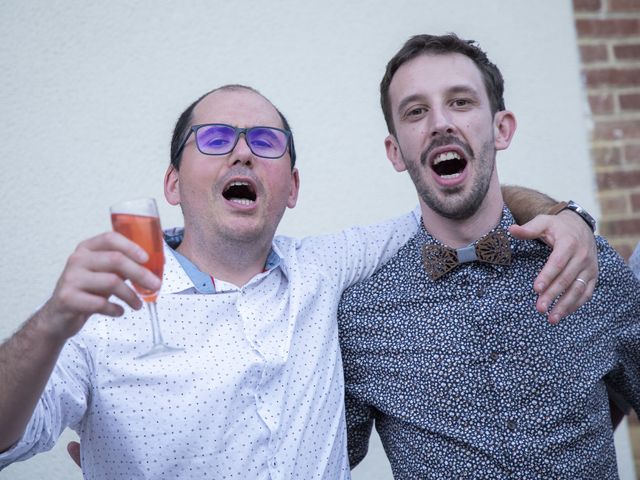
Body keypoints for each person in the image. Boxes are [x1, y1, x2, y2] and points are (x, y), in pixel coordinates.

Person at [0, 84, 596, 479]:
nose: (241, 153)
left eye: (265, 142)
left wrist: (565, 215)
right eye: (213, 139)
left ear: (292, 187)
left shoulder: (325, 267)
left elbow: (457, 205)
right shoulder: (103, 310)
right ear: (174, 184)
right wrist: (52, 320)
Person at [338, 33, 640, 478]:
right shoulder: (362, 316)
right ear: (395, 151)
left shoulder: (584, 266)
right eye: (416, 111)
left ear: (502, 129)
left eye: (460, 102)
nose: (440, 122)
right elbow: (322, 457)